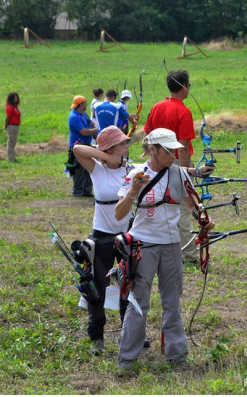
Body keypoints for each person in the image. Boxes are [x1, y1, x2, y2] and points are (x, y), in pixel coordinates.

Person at [114, 128, 215, 373]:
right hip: (143, 246)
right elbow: (118, 213)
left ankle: (177, 355)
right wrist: (133, 191)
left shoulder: (179, 174)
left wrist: (203, 220)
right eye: (168, 150)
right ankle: (127, 359)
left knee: (172, 302)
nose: (174, 154)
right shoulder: (137, 174)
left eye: (175, 150)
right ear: (153, 150)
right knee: (139, 303)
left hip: (171, 247)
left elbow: (192, 204)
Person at [72, 126, 132, 355]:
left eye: (126, 143)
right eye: (122, 144)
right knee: (97, 287)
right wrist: (106, 156)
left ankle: (131, 333)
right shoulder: (97, 169)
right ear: (109, 148)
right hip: (101, 237)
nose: (127, 147)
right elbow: (77, 148)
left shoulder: (131, 169)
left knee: (129, 285)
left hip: (127, 235)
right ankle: (97, 337)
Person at [143, 70, 202, 265]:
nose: (189, 89)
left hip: (156, 163)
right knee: (183, 210)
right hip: (175, 162)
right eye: (189, 85)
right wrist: (184, 175)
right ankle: (189, 256)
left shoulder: (156, 107)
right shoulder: (184, 111)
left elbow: (148, 135)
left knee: (159, 205)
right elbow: (183, 148)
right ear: (184, 87)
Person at [67, 95, 97, 197]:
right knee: (78, 169)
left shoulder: (83, 113)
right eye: (85, 103)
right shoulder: (74, 117)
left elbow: (91, 123)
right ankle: (77, 190)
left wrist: (96, 125)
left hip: (86, 145)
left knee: (89, 167)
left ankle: (87, 190)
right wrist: (96, 130)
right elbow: (84, 132)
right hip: (77, 146)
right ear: (80, 104)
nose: (86, 104)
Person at [4, 92, 21, 162]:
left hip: (16, 126)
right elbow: (8, 117)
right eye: (14, 97)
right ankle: (10, 158)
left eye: (17, 97)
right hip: (12, 126)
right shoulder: (10, 107)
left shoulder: (15, 107)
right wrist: (6, 126)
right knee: (11, 142)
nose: (16, 99)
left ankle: (13, 157)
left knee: (13, 142)